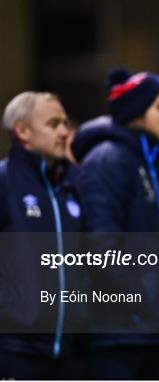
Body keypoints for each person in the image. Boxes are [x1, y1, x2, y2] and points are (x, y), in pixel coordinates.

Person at [71, 68, 159, 379]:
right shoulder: (108, 160)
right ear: (136, 112)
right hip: (121, 336)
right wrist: (140, 303)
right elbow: (100, 247)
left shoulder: (147, 164)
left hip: (149, 332)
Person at [0, 92, 84, 378]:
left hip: (70, 355)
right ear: (22, 131)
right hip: (15, 351)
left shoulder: (71, 187)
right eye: (53, 124)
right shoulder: (4, 183)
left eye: (65, 123)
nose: (65, 132)